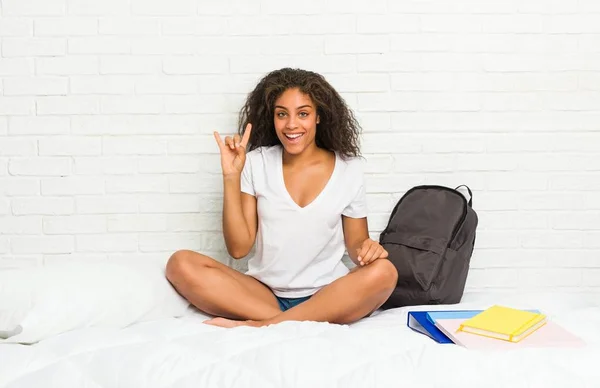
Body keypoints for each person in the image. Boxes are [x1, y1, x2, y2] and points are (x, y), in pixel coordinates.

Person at [166, 68, 398, 328]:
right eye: (282, 114)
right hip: (265, 294)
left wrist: (368, 250)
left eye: (303, 113)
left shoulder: (349, 168)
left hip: (328, 294)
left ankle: (261, 325)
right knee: (180, 264)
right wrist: (232, 176)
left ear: (318, 116)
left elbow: (356, 245)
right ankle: (298, 321)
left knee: (385, 271)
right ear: (272, 118)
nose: (291, 125)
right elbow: (239, 248)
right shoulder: (255, 163)